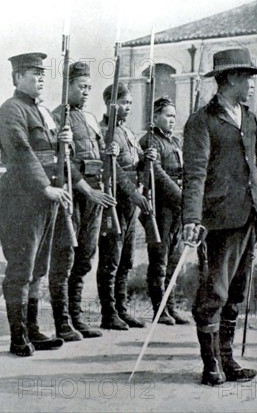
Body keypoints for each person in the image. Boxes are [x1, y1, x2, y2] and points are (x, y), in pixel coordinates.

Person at [182, 48, 257, 386]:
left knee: (236, 291)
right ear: (230, 78)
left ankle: (229, 359)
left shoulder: (249, 117)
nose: (250, 85)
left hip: (249, 216)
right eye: (246, 78)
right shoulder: (201, 121)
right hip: (218, 219)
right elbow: (195, 173)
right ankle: (211, 364)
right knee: (214, 291)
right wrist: (191, 216)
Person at [0, 52, 70, 356]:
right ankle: (18, 336)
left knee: (39, 268)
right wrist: (44, 187)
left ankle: (34, 329)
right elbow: (22, 153)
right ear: (17, 78)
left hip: (46, 200)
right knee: (21, 269)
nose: (40, 78)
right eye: (32, 74)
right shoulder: (11, 110)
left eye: (42, 74)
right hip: (22, 200)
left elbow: (52, 154)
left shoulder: (43, 112)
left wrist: (64, 140)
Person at [49, 62, 116, 341]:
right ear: (67, 86)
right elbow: (60, 161)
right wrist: (87, 190)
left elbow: (98, 154)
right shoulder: (56, 117)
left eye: (89, 87)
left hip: (95, 194)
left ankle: (76, 318)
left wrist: (108, 150)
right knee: (65, 257)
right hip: (74, 193)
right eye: (81, 87)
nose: (86, 92)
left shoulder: (89, 118)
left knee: (86, 257)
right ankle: (62, 322)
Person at [97, 82, 152, 330]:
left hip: (130, 204)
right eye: (123, 102)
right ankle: (108, 313)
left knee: (126, 259)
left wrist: (146, 160)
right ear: (110, 103)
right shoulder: (102, 132)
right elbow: (113, 169)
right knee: (111, 259)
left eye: (129, 102)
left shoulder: (128, 133)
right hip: (115, 202)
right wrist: (133, 194)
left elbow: (136, 163)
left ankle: (121, 309)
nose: (127, 107)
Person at [139, 97, 189, 325]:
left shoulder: (175, 142)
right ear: (155, 117)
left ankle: (170, 306)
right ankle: (159, 309)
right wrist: (181, 198)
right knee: (159, 257)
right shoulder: (150, 141)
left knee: (174, 259)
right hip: (161, 208)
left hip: (177, 207)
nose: (172, 120)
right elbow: (156, 173)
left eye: (174, 116)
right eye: (168, 115)